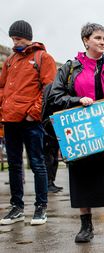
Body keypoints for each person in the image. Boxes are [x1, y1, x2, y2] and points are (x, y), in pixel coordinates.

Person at [50, 23, 104, 244]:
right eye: (98, 38)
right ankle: (86, 227)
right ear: (86, 40)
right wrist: (78, 100)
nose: (103, 42)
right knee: (82, 179)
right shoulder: (70, 69)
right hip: (81, 136)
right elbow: (55, 98)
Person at [0, 20, 56, 226]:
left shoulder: (43, 58)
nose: (15, 42)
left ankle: (41, 207)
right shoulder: (10, 61)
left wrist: (33, 113)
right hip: (10, 119)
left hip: (31, 121)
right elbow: (2, 87)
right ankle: (17, 207)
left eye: (18, 38)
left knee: (37, 164)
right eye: (13, 39)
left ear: (28, 37)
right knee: (14, 164)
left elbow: (48, 89)